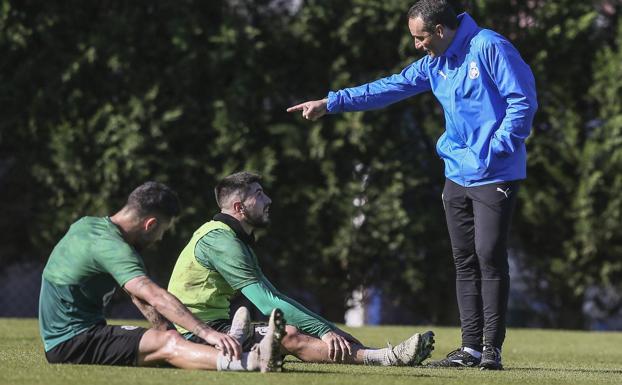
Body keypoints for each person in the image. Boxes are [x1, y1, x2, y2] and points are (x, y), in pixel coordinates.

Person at [286, 0, 537, 371]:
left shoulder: (489, 46)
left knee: (489, 256)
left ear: (439, 30)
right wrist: (330, 103)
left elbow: (523, 102)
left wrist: (495, 149)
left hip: (495, 173)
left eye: (420, 38)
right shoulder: (435, 63)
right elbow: (388, 88)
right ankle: (470, 349)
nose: (417, 45)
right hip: (456, 173)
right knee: (464, 261)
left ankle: (491, 349)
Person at [167, 171, 435, 366]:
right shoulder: (222, 241)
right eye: (259, 195)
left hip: (215, 324)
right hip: (196, 331)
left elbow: (276, 297)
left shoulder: (233, 238)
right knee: (288, 334)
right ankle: (386, 357)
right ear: (239, 207)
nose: (268, 200)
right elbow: (266, 301)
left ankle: (377, 354)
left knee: (289, 328)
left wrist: (327, 327)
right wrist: (325, 330)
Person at [38, 181, 283, 372]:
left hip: (75, 336)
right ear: (150, 224)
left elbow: (136, 295)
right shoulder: (115, 249)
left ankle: (232, 343)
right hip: (72, 343)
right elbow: (153, 295)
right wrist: (206, 332)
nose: (160, 239)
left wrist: (167, 329)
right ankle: (253, 360)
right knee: (167, 346)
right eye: (162, 231)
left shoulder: (88, 225)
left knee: (166, 341)